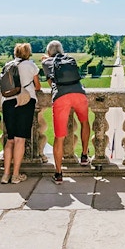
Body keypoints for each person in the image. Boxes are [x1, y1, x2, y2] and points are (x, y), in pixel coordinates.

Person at [41, 40, 90, 184]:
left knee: (59, 137)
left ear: (49, 52)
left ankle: (58, 173)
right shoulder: (70, 59)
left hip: (61, 97)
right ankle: (85, 156)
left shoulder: (46, 63)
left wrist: (46, 60)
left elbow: (51, 83)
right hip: (79, 94)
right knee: (85, 122)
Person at [0, 43, 41, 184]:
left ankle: (5, 175)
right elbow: (38, 86)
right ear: (28, 53)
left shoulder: (8, 65)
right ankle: (15, 175)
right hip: (25, 101)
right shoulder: (31, 65)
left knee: (10, 140)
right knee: (20, 140)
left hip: (7, 102)